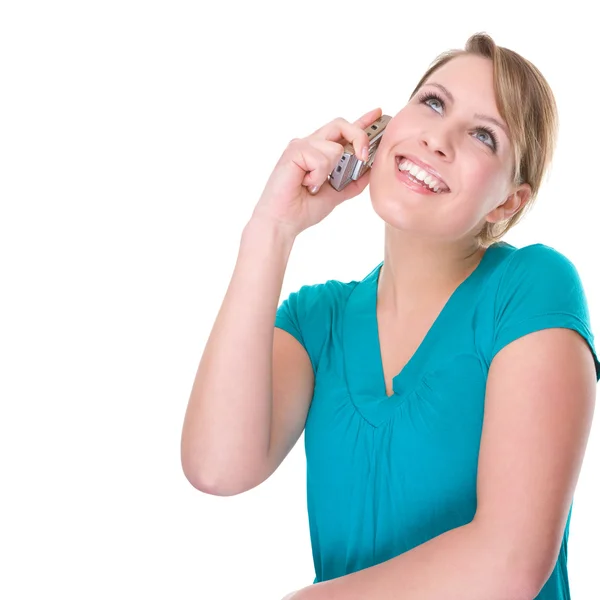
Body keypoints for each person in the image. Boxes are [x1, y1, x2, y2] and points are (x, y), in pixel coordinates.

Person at [181, 32, 600, 599]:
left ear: (508, 202)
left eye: (482, 136)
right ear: (383, 132)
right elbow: (216, 467)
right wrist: (271, 230)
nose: (438, 138)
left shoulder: (531, 288)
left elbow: (510, 562)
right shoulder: (316, 321)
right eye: (432, 103)